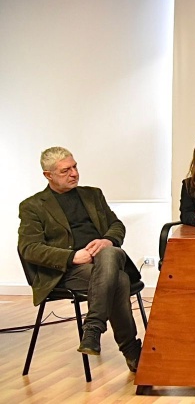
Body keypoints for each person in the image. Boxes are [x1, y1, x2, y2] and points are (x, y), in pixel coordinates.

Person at [18, 147, 143, 372]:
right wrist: (72, 256)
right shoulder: (33, 206)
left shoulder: (92, 195)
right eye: (65, 170)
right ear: (48, 175)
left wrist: (107, 240)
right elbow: (29, 249)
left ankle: (93, 329)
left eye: (75, 167)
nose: (74, 173)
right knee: (120, 280)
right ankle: (131, 350)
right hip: (68, 271)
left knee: (111, 252)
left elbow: (116, 225)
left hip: (104, 262)